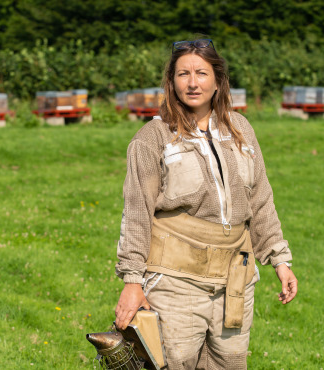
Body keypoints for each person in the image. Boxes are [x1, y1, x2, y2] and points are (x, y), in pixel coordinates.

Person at [114, 39, 298, 369]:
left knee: (230, 363)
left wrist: (279, 260)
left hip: (235, 281)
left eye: (202, 72)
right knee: (176, 362)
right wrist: (132, 281)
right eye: (183, 74)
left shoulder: (241, 129)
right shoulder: (152, 138)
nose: (193, 82)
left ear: (217, 80)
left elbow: (260, 200)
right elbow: (137, 213)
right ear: (171, 81)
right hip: (175, 281)